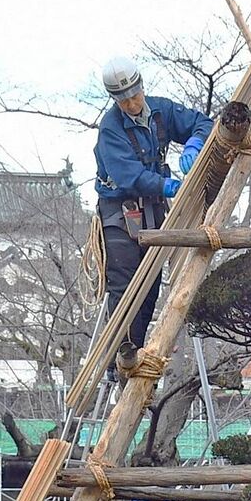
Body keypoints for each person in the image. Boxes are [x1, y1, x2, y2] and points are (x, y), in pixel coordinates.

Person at [95, 55, 213, 378]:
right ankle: (116, 358)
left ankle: (138, 349)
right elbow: (129, 175)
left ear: (141, 87)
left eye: (135, 95)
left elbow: (202, 122)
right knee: (125, 283)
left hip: (152, 209)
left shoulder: (160, 111)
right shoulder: (110, 130)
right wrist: (167, 185)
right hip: (120, 211)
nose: (132, 104)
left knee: (151, 286)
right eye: (124, 100)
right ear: (115, 100)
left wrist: (194, 143)